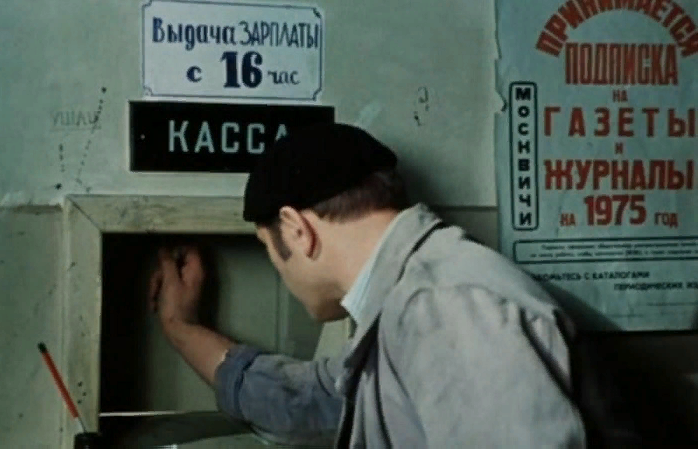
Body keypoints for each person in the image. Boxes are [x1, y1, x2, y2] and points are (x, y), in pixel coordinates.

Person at [149, 123, 586, 448]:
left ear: (297, 230)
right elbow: (309, 402)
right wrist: (180, 327)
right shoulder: (405, 303)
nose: (279, 269)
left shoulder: (447, 306)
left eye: (269, 249)